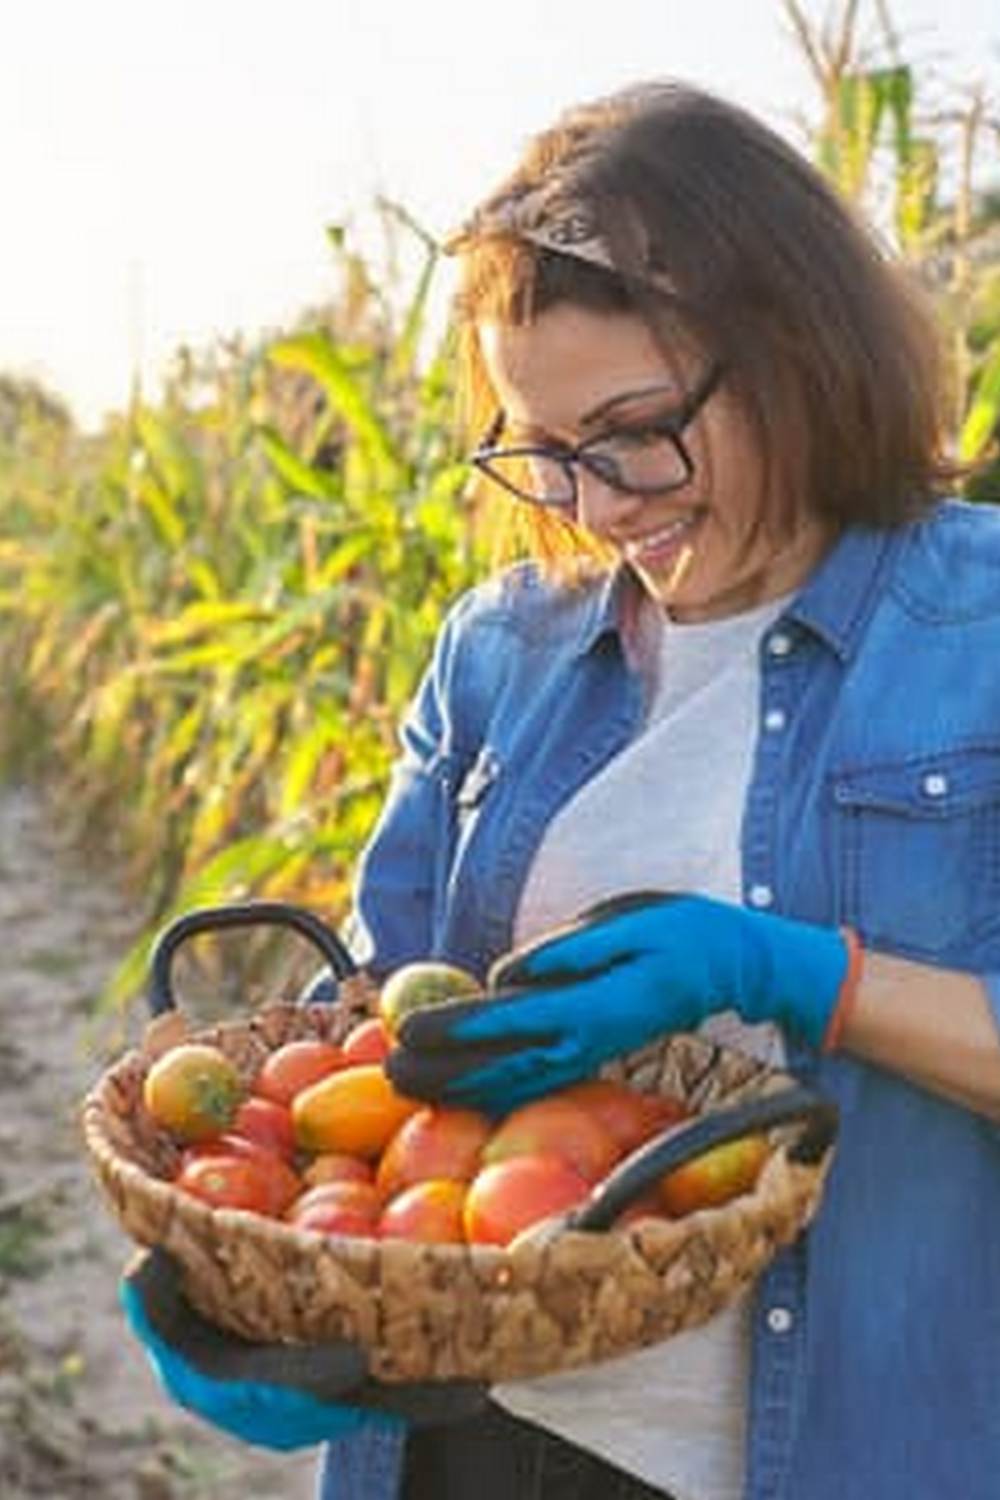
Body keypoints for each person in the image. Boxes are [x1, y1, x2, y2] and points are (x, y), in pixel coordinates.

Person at [122, 81, 1000, 1500]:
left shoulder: (978, 630)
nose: (594, 506)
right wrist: (253, 1264)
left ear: (790, 344)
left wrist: (807, 978)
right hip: (478, 1436)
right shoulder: (504, 652)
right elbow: (377, 1041)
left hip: (847, 1450)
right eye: (543, 452)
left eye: (633, 430)